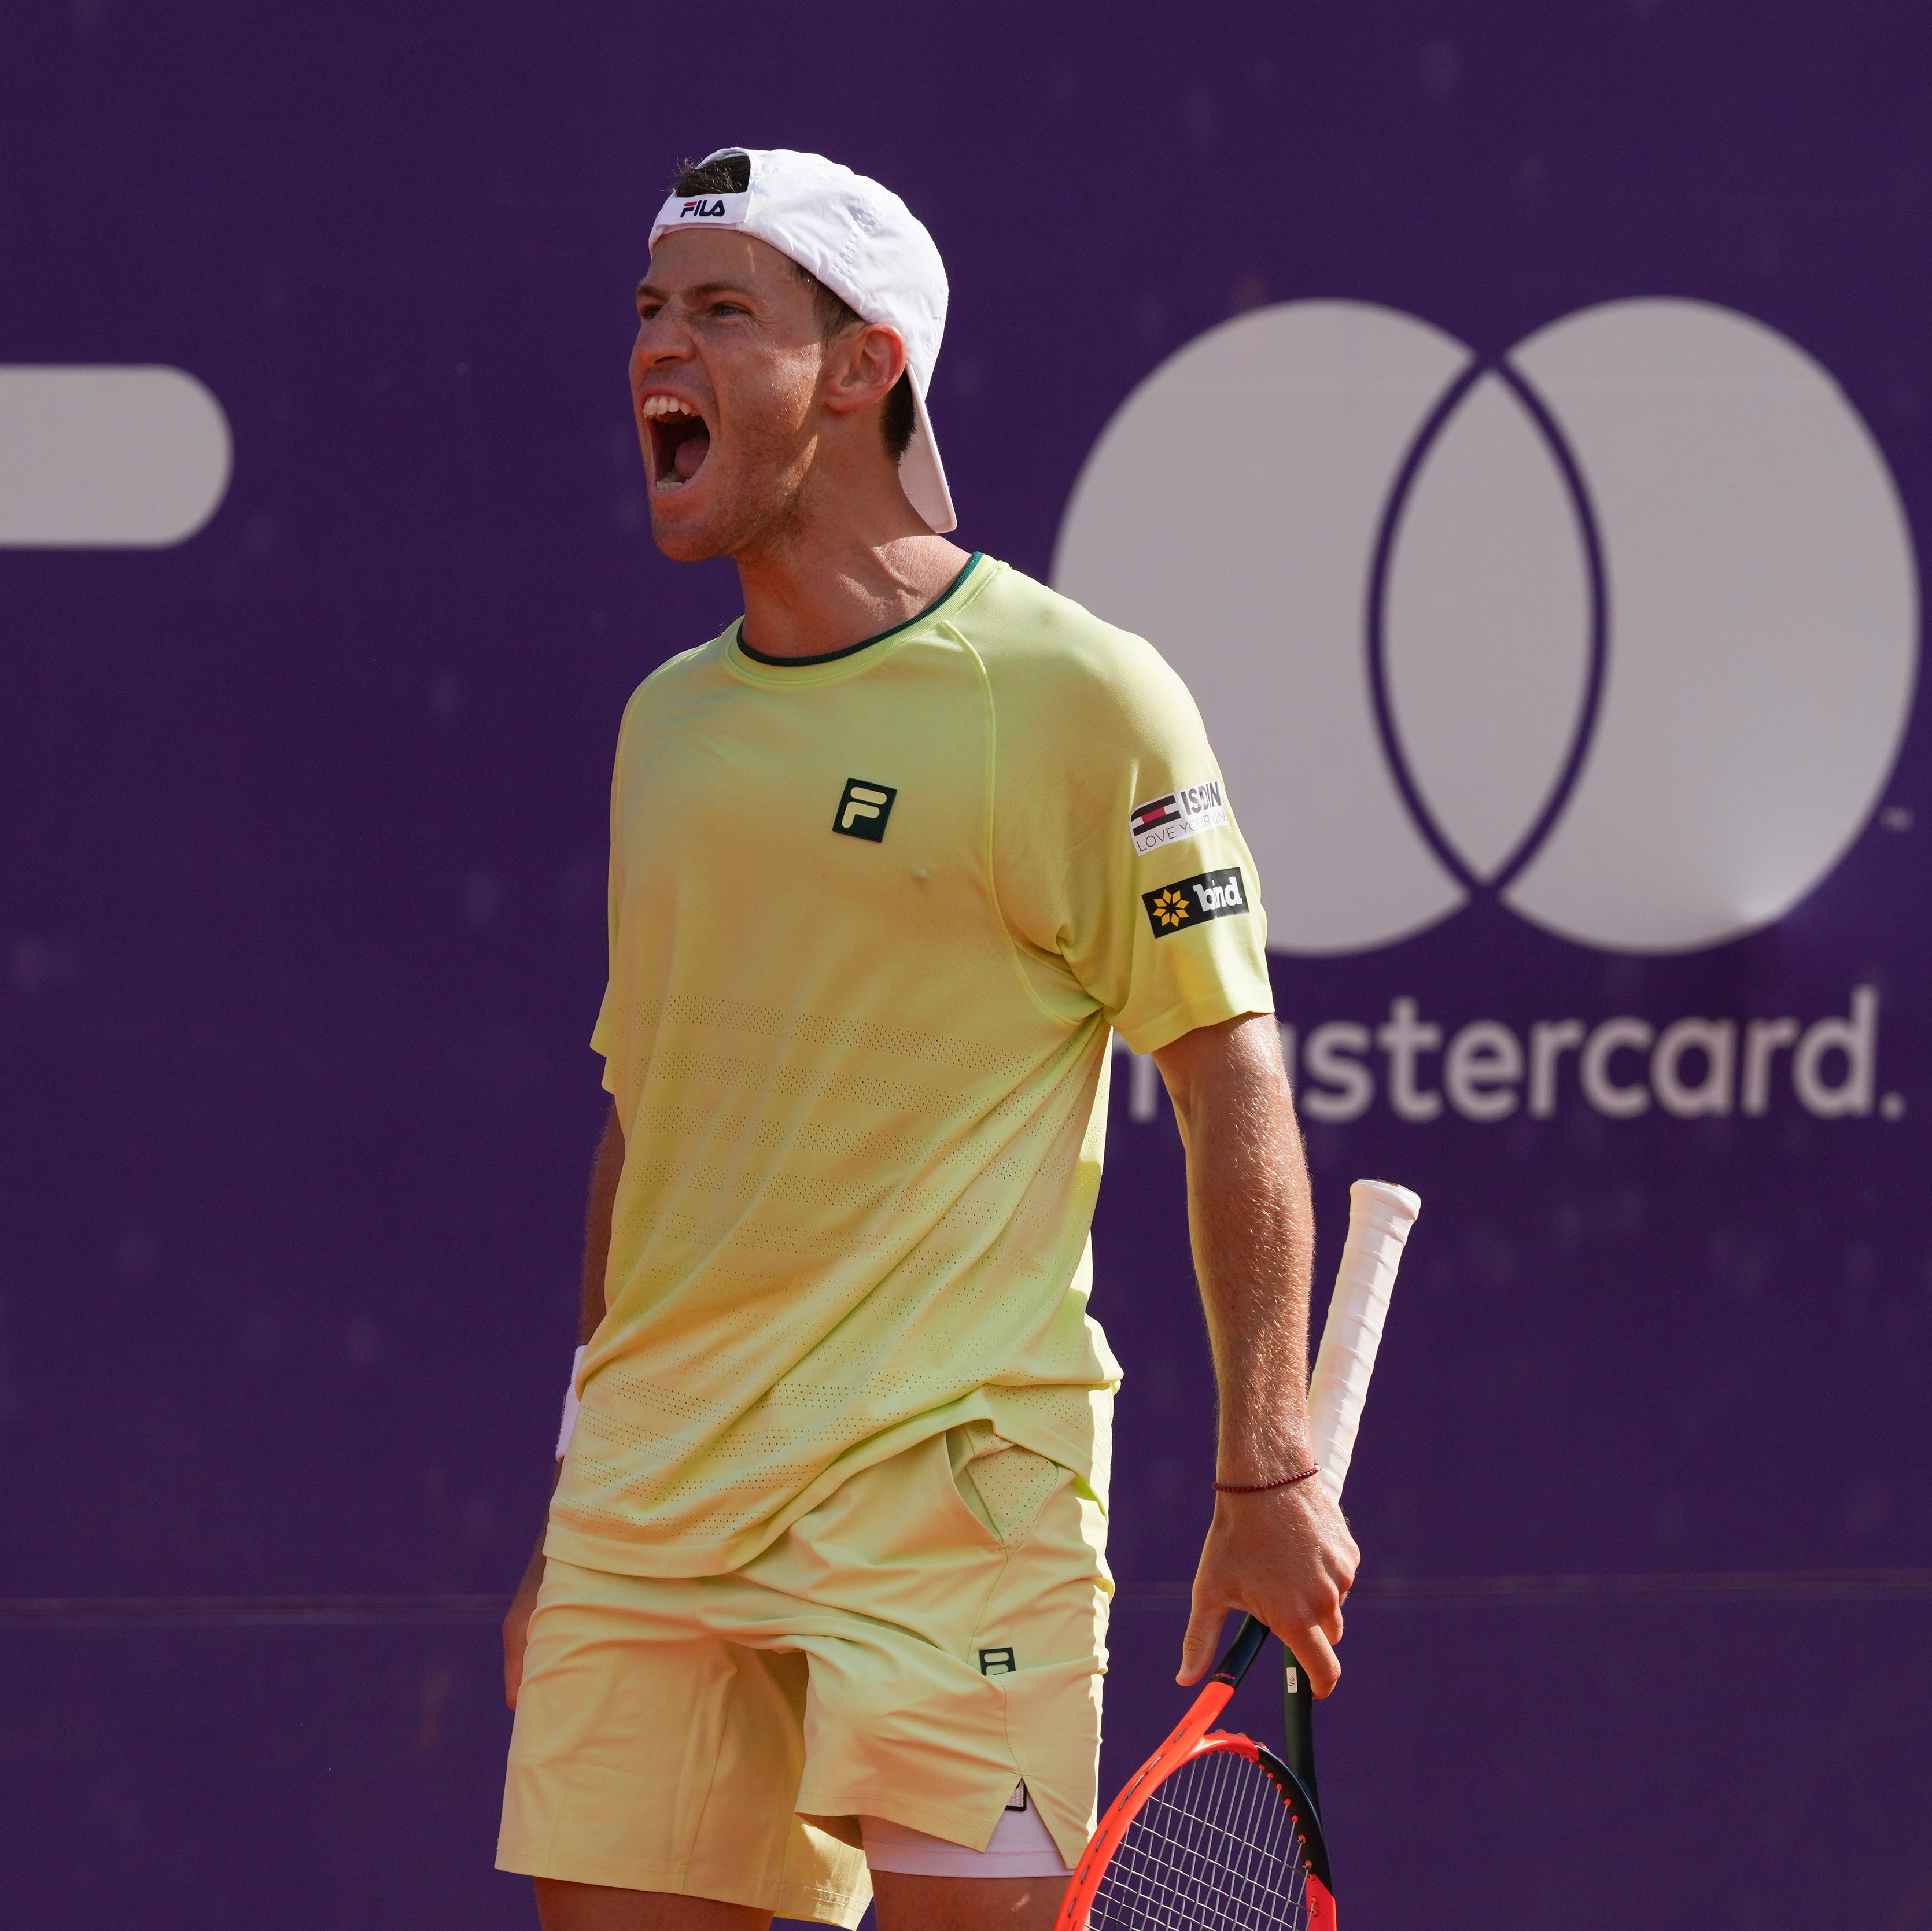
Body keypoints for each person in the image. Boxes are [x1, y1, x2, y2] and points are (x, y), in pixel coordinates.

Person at [495, 146, 1355, 1931]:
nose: (663, 347)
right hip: (653, 1507)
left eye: (726, 310)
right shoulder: (665, 731)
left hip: (949, 1492)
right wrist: (578, 1492)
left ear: (866, 366)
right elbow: (645, 1130)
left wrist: (1265, 1460)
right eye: (651, 311)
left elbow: (1226, 1073)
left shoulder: (1079, 696)